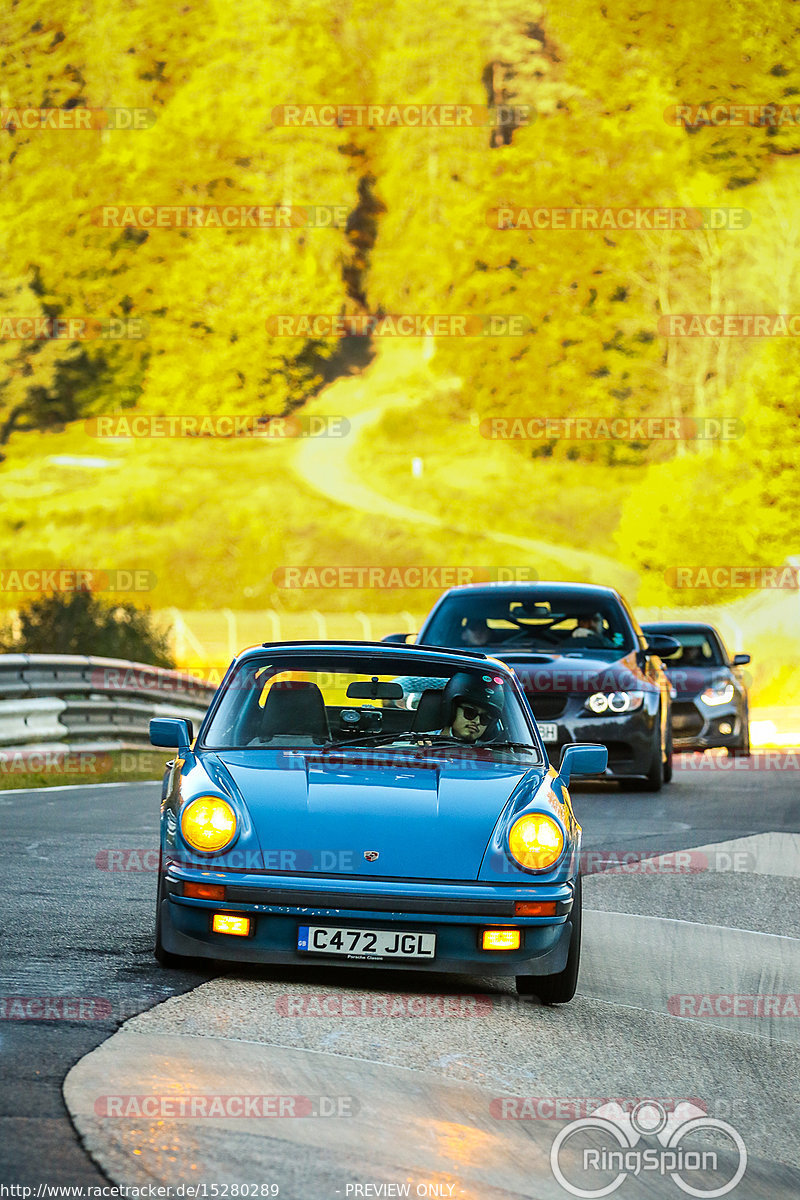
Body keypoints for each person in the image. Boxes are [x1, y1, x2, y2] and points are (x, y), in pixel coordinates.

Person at [437, 671, 505, 743]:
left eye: (485, 719)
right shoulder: (425, 745)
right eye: (470, 713)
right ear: (451, 710)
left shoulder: (493, 753)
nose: (477, 721)